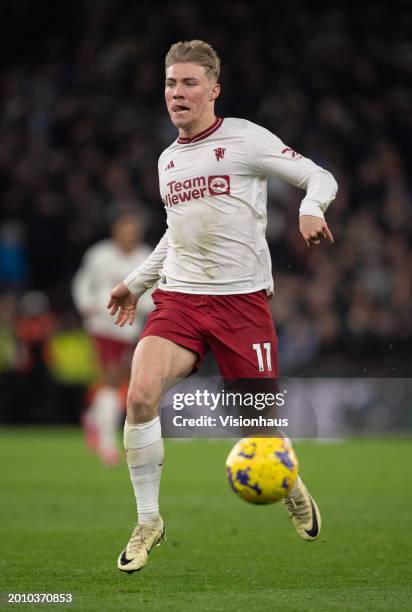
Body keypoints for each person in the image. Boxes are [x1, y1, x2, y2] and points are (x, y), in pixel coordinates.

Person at [108, 40, 338, 572]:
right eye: (171, 83)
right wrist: (136, 283)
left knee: (257, 425)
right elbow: (176, 235)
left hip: (241, 305)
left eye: (189, 83)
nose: (178, 93)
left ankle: (288, 481)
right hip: (181, 301)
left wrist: (309, 207)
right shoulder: (168, 160)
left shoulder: (244, 138)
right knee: (139, 396)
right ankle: (149, 521)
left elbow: (318, 175)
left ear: (214, 89)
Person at [72, 212, 153, 464]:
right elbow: (82, 282)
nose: (129, 233)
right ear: (115, 230)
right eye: (125, 228)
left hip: (130, 328)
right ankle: (107, 444)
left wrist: (143, 306)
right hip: (103, 325)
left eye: (133, 229)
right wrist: (86, 304)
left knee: (122, 380)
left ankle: (94, 418)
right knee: (110, 377)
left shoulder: (146, 256)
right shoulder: (100, 254)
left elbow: (155, 290)